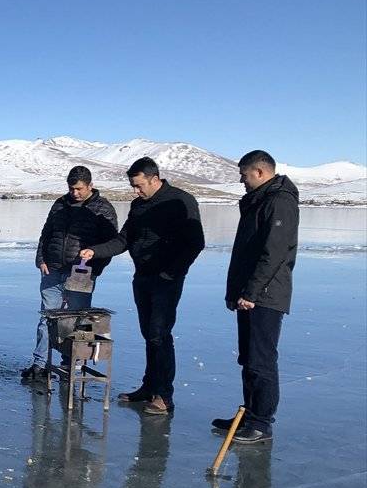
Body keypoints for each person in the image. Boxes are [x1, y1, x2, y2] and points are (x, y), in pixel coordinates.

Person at [80, 157, 205, 415]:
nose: (135, 191)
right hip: (143, 277)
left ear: (154, 179)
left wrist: (172, 272)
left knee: (160, 333)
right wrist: (96, 250)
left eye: (138, 185)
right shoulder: (139, 206)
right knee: (149, 334)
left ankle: (164, 396)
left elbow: (195, 243)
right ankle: (149, 387)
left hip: (166, 280)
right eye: (132, 186)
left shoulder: (180, 201)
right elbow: (124, 239)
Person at [215, 150, 299, 444]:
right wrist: (234, 292)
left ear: (260, 172)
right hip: (250, 292)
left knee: (261, 359)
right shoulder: (259, 201)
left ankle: (261, 423)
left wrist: (251, 292)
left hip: (265, 294)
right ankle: (248, 416)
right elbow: (244, 252)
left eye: (244, 174)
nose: (241, 180)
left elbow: (274, 252)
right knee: (248, 357)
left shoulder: (279, 202)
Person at [22, 165, 118, 381]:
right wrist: (41, 259)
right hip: (52, 269)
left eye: (79, 189)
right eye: (71, 188)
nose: (75, 193)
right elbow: (46, 233)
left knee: (77, 320)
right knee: (47, 318)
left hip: (82, 273)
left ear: (90, 186)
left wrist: (95, 270)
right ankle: (40, 365)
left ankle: (70, 364)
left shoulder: (102, 208)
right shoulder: (60, 204)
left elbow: (111, 244)